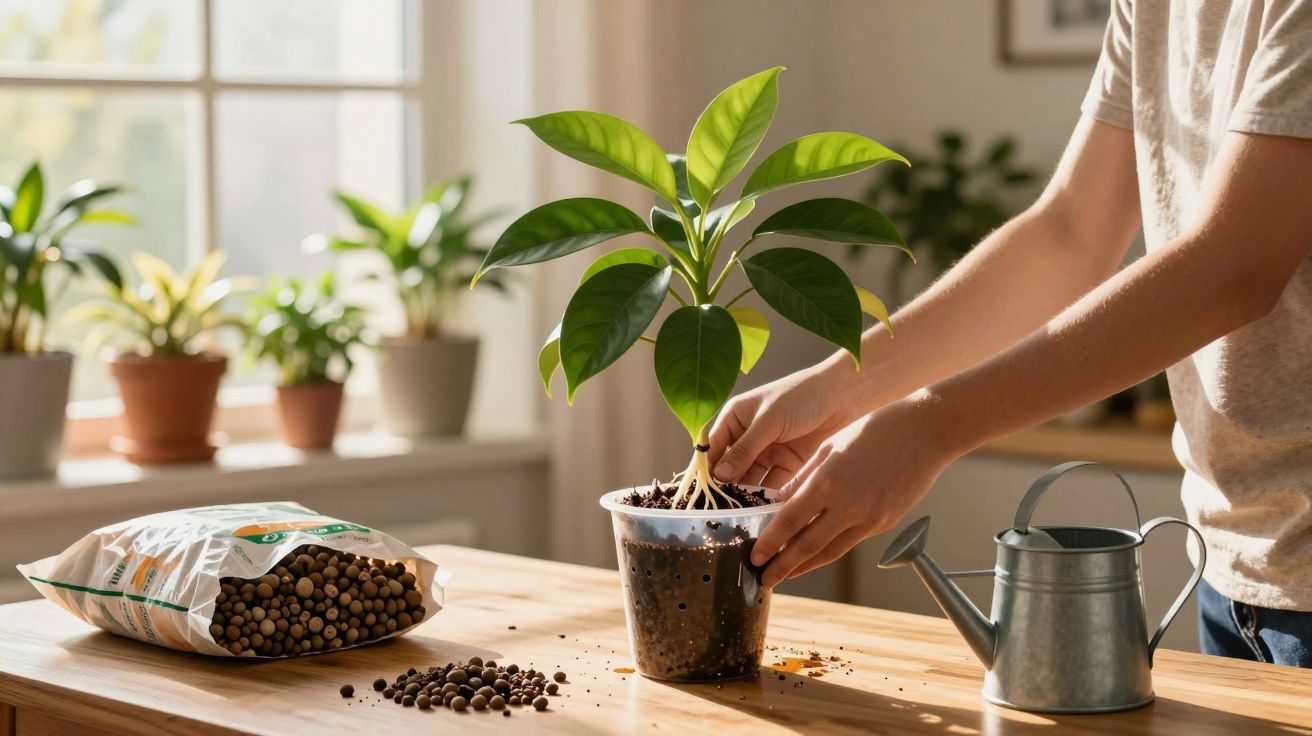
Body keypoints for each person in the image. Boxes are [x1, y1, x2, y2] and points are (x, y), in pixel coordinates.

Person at [709, 1, 1312, 668]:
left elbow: (1235, 266)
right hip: (1233, 560)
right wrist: (840, 385)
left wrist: (928, 427)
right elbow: (1071, 232)